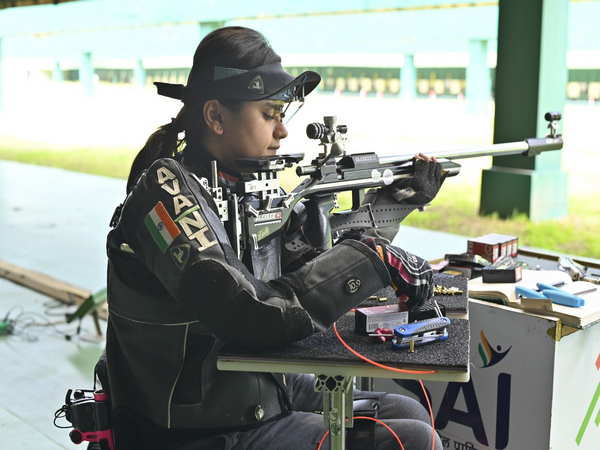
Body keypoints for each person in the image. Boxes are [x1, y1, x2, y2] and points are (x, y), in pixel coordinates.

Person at [104, 26, 444, 450]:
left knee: (406, 412)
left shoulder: (233, 183)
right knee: (410, 440)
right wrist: (370, 259)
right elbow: (245, 312)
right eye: (269, 114)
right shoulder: (166, 194)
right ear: (215, 116)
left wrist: (394, 204)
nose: (282, 131)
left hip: (252, 387)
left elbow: (309, 259)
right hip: (202, 427)